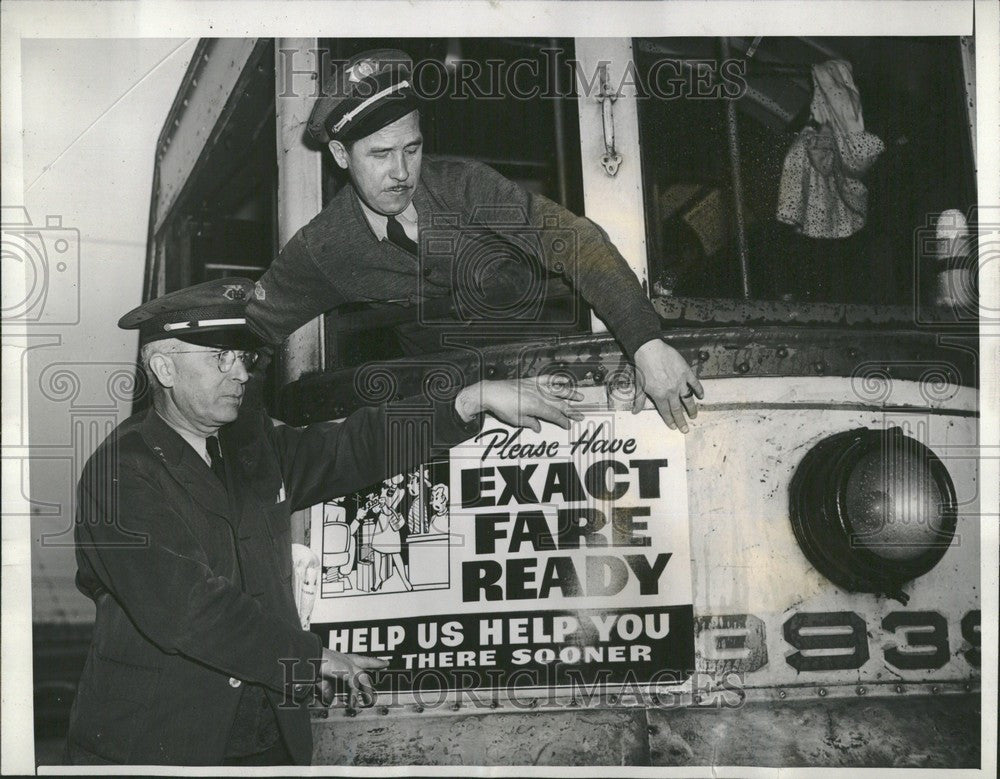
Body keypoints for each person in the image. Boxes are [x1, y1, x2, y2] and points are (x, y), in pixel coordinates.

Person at [65, 277, 582, 766]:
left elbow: (352, 448)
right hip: (163, 745)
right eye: (220, 357)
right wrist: (310, 660)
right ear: (164, 369)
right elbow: (188, 608)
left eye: (242, 357)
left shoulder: (247, 446)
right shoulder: (122, 473)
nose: (241, 373)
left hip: (267, 740)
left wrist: (468, 400)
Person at [246, 48, 704, 433]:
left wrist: (646, 344)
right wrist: (256, 435)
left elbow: (576, 242)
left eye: (412, 148)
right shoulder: (325, 248)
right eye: (381, 154)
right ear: (341, 154)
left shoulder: (466, 187)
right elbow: (250, 333)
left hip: (553, 391)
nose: (402, 173)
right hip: (448, 418)